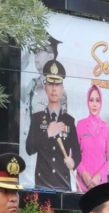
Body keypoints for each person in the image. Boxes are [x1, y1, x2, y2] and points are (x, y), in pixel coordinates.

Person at [24, 59, 81, 191]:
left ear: (62, 89)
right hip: (42, 184)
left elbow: (77, 153)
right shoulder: (37, 118)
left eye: (57, 84)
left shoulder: (69, 121)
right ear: (45, 88)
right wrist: (48, 133)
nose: (54, 89)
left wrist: (73, 162)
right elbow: (29, 149)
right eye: (50, 84)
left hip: (63, 185)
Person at [75, 84, 109, 192]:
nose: (94, 104)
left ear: (101, 103)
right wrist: (84, 175)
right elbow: (74, 155)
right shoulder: (80, 125)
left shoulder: (106, 128)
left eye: (97, 100)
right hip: (82, 184)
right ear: (87, 102)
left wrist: (99, 176)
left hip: (100, 185)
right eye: (91, 100)